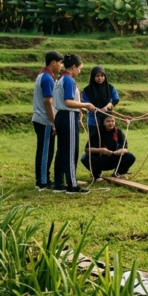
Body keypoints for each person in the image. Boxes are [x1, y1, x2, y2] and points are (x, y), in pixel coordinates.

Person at [52, 54, 97, 194]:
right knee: (71, 151)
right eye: (80, 68)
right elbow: (68, 102)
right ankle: (72, 184)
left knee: (62, 150)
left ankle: (59, 183)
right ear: (73, 67)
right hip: (68, 115)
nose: (80, 71)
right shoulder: (69, 80)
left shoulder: (60, 79)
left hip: (60, 115)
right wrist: (86, 105)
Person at [32, 51, 62, 190]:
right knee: (45, 151)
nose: (61, 66)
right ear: (53, 62)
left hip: (41, 118)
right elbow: (48, 101)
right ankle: (42, 181)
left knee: (45, 150)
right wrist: (54, 121)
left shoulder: (42, 75)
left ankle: (43, 178)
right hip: (45, 120)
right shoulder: (47, 78)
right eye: (60, 62)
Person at [81, 113, 136, 178]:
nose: (111, 123)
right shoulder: (98, 132)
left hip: (114, 158)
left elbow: (125, 148)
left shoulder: (118, 132)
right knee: (85, 158)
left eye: (112, 121)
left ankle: (118, 173)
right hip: (101, 159)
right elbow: (87, 149)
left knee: (130, 157)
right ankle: (97, 175)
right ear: (103, 123)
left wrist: (121, 151)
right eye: (108, 121)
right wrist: (101, 150)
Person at [81, 66, 120, 130]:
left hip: (107, 120)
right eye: (97, 76)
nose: (100, 78)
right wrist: (96, 109)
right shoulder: (87, 90)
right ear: (93, 77)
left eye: (102, 75)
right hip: (93, 120)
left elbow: (116, 99)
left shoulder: (110, 88)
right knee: (94, 139)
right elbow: (86, 103)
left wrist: (106, 107)